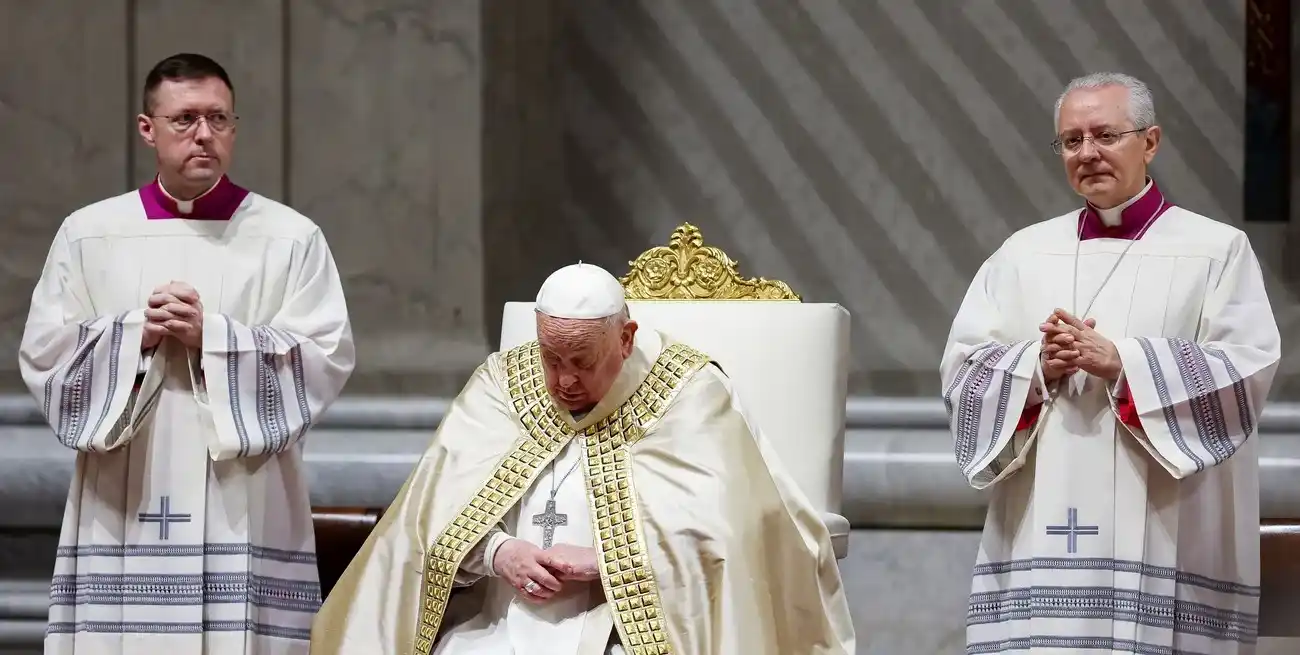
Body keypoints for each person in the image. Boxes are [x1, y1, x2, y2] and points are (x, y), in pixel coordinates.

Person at [310, 262, 855, 654]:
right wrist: (498, 551)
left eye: (582, 361)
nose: (564, 381)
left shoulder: (689, 393)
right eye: (551, 358)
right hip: (496, 620)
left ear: (626, 338)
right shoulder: (504, 383)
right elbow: (428, 513)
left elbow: (732, 537)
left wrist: (609, 562)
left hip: (626, 628)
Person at [18, 53, 355, 654]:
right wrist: (135, 334)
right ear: (147, 128)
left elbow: (324, 357)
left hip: (241, 499)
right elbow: (46, 356)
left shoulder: (290, 238)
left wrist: (214, 338)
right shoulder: (89, 234)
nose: (204, 134)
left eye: (218, 119)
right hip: (121, 497)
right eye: (185, 119)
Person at [940, 71, 1280, 654]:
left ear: (1150, 142)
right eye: (1071, 140)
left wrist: (1124, 362)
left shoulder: (1215, 249)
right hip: (1042, 521)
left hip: (1167, 526)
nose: (1087, 152)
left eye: (1105, 135)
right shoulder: (1022, 253)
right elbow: (964, 374)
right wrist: (1035, 366)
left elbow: (1243, 370)